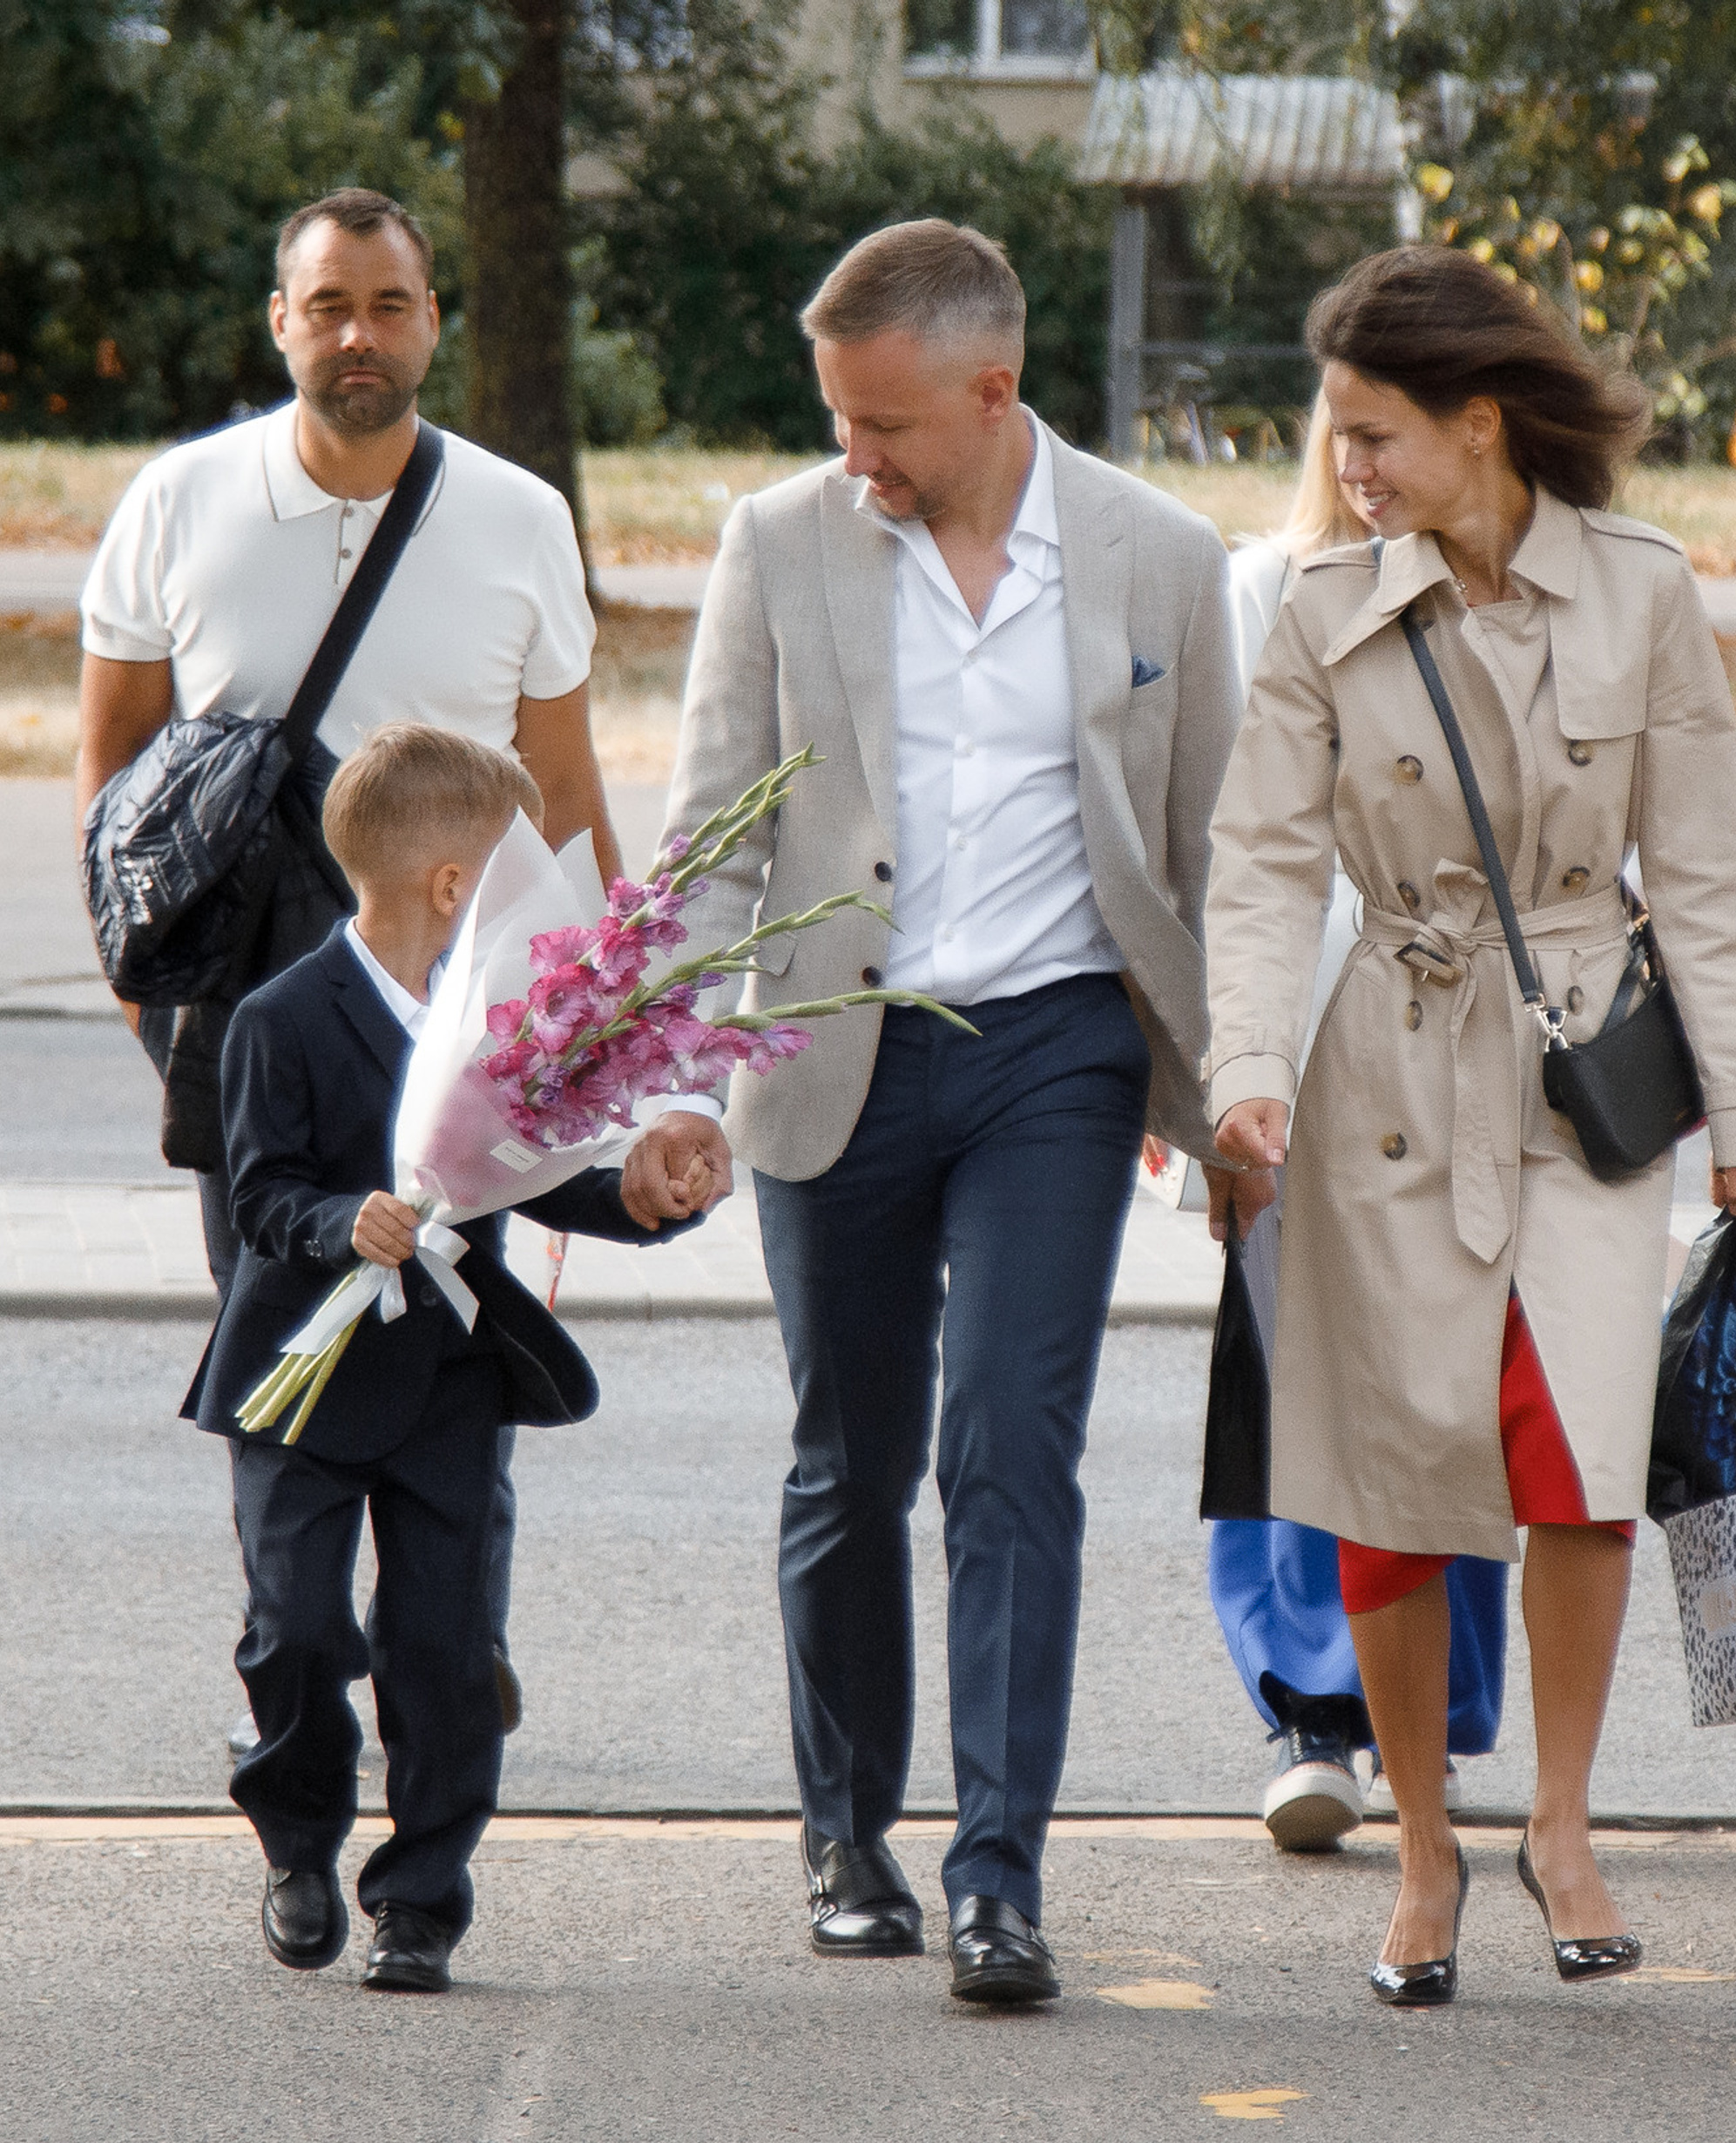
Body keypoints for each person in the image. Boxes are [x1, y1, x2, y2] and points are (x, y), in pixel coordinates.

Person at [629, 220, 1243, 2006]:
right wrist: (674, 1069)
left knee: (1006, 1448)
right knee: (851, 1452)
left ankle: (998, 1869)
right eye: (834, 414)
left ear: (993, 391)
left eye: (883, 420)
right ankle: (845, 1832)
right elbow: (711, 836)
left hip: (1054, 1053)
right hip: (832, 1047)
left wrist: (1225, 1098)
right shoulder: (778, 542)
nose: (853, 451)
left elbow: (1215, 851)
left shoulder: (1157, 556)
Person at [1206, 245, 1736, 2007]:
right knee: (1394, 1484)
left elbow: (1704, 873)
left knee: (1576, 1464)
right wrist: (1245, 1062)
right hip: (1383, 1069)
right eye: (1341, 434)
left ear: (1478, 422)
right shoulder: (1319, 601)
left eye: (1377, 433)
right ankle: (1421, 1842)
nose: (1351, 465)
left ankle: (1557, 1818)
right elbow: (1253, 860)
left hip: (1583, 1071)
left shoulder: (1639, 590)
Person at [76, 186, 618, 1754]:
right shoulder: (178, 501)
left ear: (433, 321)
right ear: (280, 323)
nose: (359, 336)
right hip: (252, 1017)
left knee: (456, 1338)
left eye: (388, 305)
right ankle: (298, 1659)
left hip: (463, 1014)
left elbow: (565, 785)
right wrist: (137, 984)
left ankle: (453, 1638)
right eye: (329, 306)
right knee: (279, 1346)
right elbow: (110, 766)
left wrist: (601, 1010)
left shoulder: (517, 515)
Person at [181, 726, 706, 1991]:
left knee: (444, 1646)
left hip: (444, 1376)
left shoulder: (513, 1022)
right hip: (294, 1376)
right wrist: (337, 1221)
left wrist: (641, 1196)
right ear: (454, 887)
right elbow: (259, 1193)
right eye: (520, 869)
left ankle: (421, 1898)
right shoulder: (280, 1017)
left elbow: (536, 1166)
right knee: (298, 1631)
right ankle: (299, 1839)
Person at [1210, 396, 1509, 1853]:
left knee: (1452, 1391)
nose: (1364, 457)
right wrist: (1213, 1062)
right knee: (1299, 1377)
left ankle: (1428, 1723)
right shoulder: (1264, 589)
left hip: (1476, 1043)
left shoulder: (1530, 586)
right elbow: (1231, 836)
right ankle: (1309, 1711)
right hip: (1311, 1042)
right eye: (1348, 423)